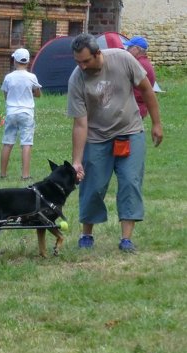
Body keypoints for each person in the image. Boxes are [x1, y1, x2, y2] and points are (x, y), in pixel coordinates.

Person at [67, 33, 163, 253]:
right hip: (97, 136)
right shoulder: (77, 79)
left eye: (86, 61)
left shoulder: (122, 59)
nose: (81, 66)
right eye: (77, 62)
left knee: (130, 181)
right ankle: (86, 235)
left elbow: (147, 89)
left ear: (98, 54)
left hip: (130, 131)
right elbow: (80, 124)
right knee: (93, 185)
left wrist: (157, 124)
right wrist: (77, 161)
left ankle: (126, 239)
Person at [0, 48, 42, 180]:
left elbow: (6, 95)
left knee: (7, 142)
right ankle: (25, 174)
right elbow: (38, 94)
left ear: (15, 61)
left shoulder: (9, 77)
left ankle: (3, 173)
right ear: (28, 61)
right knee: (26, 143)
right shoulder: (32, 77)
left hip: (12, 112)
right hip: (26, 112)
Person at [123, 36, 157, 119]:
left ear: (137, 49)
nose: (127, 49)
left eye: (130, 47)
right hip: (138, 106)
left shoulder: (138, 64)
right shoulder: (143, 61)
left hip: (135, 108)